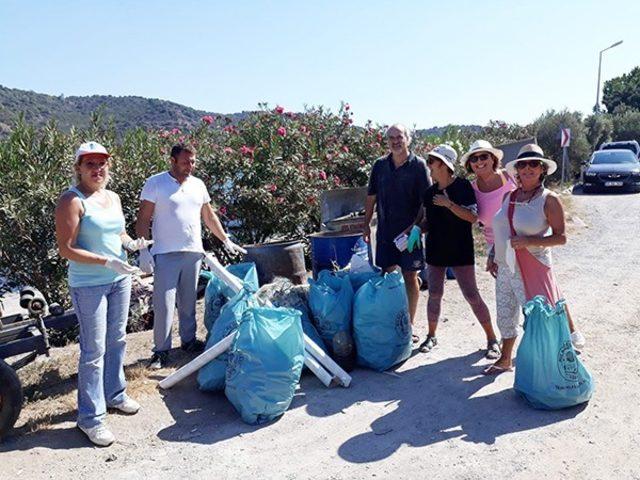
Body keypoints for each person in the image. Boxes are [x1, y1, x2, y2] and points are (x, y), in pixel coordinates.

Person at [55, 141, 149, 446]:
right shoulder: (72, 200)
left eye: (102, 164)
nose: (97, 170)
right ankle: (90, 419)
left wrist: (132, 245)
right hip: (88, 285)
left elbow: (117, 233)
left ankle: (115, 394)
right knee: (93, 352)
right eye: (90, 164)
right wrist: (107, 261)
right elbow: (66, 249)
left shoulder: (113, 197)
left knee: (117, 340)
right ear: (78, 168)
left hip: (118, 280)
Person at [135, 143, 245, 370]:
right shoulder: (155, 183)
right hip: (165, 253)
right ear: (173, 161)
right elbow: (144, 218)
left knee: (188, 301)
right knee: (163, 303)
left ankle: (188, 341)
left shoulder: (198, 185)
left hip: (193, 251)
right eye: (186, 162)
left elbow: (208, 215)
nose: (190, 166)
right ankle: (161, 351)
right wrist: (143, 249)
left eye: (193, 161)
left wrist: (225, 239)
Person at [486, 144, 585, 374]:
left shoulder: (549, 200)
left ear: (542, 169)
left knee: (538, 318)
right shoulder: (508, 197)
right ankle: (505, 359)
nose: (528, 168)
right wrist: (493, 254)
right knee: (505, 314)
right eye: (523, 164)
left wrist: (530, 242)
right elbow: (501, 229)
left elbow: (561, 238)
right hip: (505, 267)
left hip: (533, 267)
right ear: (517, 169)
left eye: (533, 164)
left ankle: (549, 363)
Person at [415, 144, 501, 359]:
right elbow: (428, 221)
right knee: (434, 294)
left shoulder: (462, 187)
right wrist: (418, 229)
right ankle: (431, 335)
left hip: (460, 250)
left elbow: (473, 217)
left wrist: (449, 204)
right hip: (435, 250)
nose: (429, 167)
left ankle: (492, 340)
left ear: (443, 165)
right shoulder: (429, 193)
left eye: (432, 162)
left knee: (472, 295)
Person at [363, 124, 432, 343]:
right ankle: (392, 322)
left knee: (410, 276)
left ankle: (408, 327)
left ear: (408, 139)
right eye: (391, 137)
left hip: (409, 234)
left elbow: (426, 200)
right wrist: (366, 224)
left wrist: (416, 227)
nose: (395, 141)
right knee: (389, 276)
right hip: (385, 233)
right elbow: (371, 197)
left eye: (399, 137)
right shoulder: (380, 166)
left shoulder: (419, 166)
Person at [461, 140, 517, 268]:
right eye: (474, 159)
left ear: (493, 159)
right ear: (470, 164)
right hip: (494, 247)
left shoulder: (510, 176)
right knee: (504, 286)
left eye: (484, 156)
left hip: (519, 239)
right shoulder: (471, 190)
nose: (479, 162)